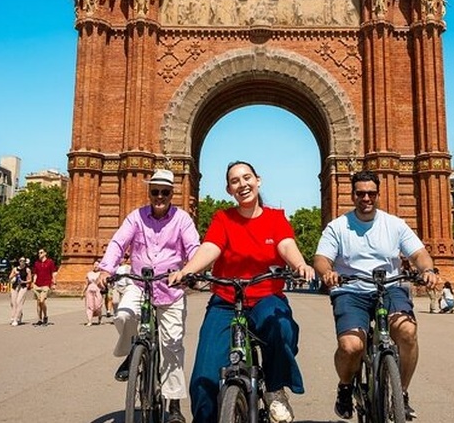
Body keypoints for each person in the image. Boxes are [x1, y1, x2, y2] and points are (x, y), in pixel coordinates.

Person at [169, 161, 315, 423]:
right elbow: (211, 246)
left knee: (281, 326)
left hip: (266, 296)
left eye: (247, 178)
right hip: (226, 300)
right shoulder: (223, 218)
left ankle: (274, 389)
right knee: (203, 378)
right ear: (229, 189)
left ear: (258, 180)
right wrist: (187, 270)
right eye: (235, 181)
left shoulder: (275, 217)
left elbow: (286, 245)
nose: (242, 184)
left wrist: (299, 264)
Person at [313, 170, 438, 421]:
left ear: (378, 194)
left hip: (389, 287)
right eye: (361, 193)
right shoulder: (338, 227)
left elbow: (419, 254)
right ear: (353, 195)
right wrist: (328, 273)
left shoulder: (394, 224)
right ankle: (345, 387)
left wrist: (428, 269)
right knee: (351, 346)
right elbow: (321, 259)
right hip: (351, 289)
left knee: (407, 332)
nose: (366, 198)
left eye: (371, 193)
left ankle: (401, 392)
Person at [98, 168, 200, 423]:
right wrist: (106, 269)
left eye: (164, 192)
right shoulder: (136, 217)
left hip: (171, 289)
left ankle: (174, 406)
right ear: (149, 192)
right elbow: (119, 243)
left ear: (171, 193)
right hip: (139, 284)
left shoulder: (182, 219)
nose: (159, 196)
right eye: (155, 191)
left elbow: (194, 247)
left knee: (172, 346)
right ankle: (134, 349)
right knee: (123, 316)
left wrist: (189, 271)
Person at [32, 248, 58, 326]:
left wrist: (54, 283)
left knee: (42, 301)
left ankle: (45, 316)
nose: (39, 254)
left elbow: (53, 273)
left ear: (45, 253)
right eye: (39, 253)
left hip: (46, 284)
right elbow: (35, 274)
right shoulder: (37, 263)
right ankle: (39, 319)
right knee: (38, 302)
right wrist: (33, 283)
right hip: (37, 284)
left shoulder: (50, 262)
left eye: (41, 252)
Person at [8, 257, 31, 326]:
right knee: (13, 302)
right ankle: (19, 314)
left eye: (23, 261)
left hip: (23, 287)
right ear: (19, 261)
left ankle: (15, 319)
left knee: (19, 301)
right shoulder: (15, 269)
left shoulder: (27, 270)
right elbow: (9, 278)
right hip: (15, 287)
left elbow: (30, 280)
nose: (22, 262)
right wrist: (15, 274)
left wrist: (23, 281)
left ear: (25, 262)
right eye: (21, 260)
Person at [82, 260, 103, 326]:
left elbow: (103, 283)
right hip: (89, 290)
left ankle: (100, 318)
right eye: (95, 264)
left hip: (98, 290)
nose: (96, 266)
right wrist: (82, 292)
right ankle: (89, 321)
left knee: (98, 306)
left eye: (97, 264)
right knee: (89, 305)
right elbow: (86, 283)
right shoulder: (89, 274)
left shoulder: (101, 274)